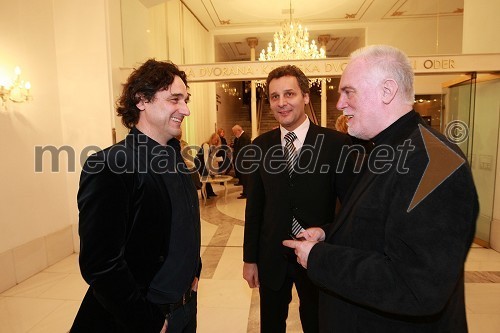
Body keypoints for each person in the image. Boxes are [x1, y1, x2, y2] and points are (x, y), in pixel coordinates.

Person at [283, 45, 479, 332]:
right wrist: (328, 232)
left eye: (349, 92)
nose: (340, 104)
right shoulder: (388, 148)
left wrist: (319, 257)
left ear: (387, 91)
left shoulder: (434, 162)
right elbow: (380, 224)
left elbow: (416, 285)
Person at [71, 59, 202, 333]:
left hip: (186, 307)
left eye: (186, 100)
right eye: (175, 99)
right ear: (142, 100)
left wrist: (194, 271)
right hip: (144, 318)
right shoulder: (110, 164)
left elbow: (184, 225)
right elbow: (101, 265)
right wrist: (150, 322)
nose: (186, 110)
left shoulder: (178, 159)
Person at [243, 65, 355, 333]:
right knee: (271, 325)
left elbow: (350, 208)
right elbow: (255, 207)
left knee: (317, 324)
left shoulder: (336, 145)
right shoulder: (260, 146)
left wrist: (328, 239)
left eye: (289, 94)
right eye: (274, 97)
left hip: (318, 256)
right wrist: (250, 259)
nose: (281, 103)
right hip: (272, 257)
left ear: (305, 96)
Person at [196, 132, 222, 198]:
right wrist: (208, 168)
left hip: (203, 161)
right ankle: (204, 194)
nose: (216, 142)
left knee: (207, 176)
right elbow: (205, 158)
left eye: (217, 140)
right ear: (212, 138)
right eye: (215, 140)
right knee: (204, 177)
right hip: (199, 161)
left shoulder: (212, 146)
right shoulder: (206, 145)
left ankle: (210, 192)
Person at [231, 124, 251, 198]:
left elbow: (243, 150)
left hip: (245, 161)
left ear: (239, 130)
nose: (234, 134)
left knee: (246, 179)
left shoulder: (244, 137)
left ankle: (246, 193)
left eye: (234, 132)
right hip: (243, 161)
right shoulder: (241, 137)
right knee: (244, 178)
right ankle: (245, 192)